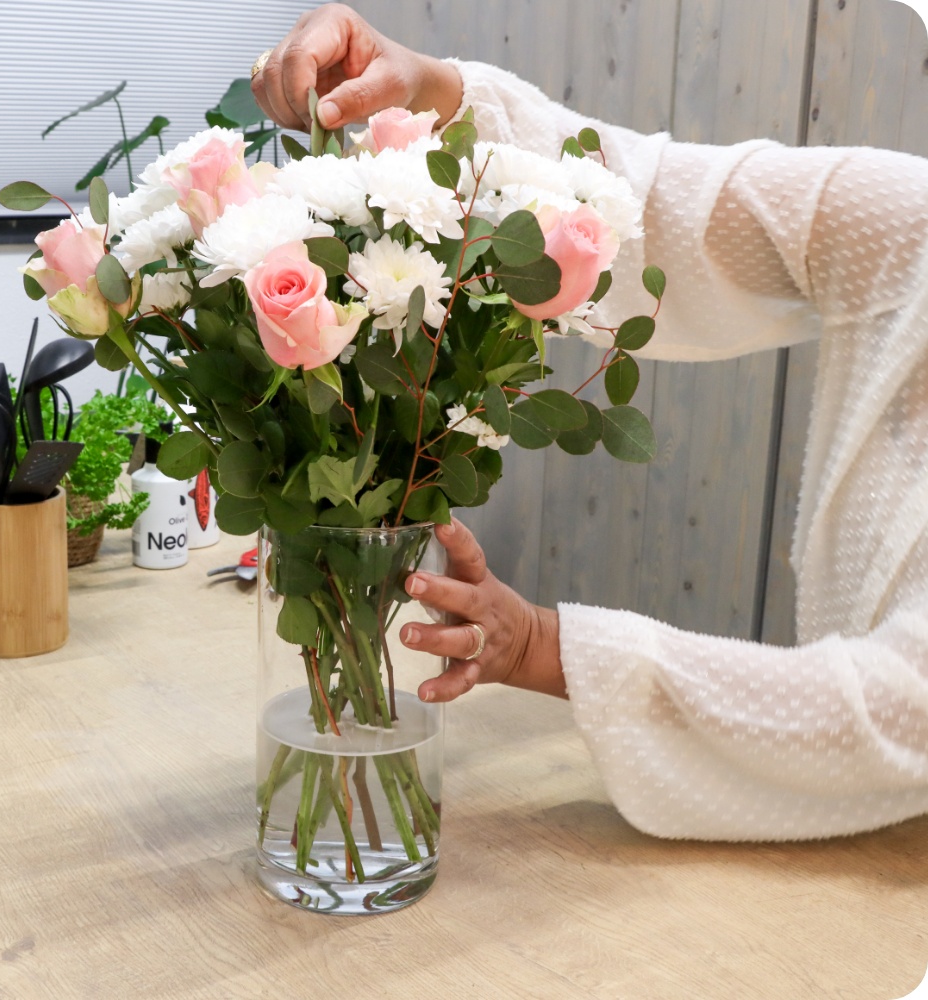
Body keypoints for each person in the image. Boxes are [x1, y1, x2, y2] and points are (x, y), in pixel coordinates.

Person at [251, 4, 928, 842]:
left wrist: (540, 645)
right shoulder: (913, 217)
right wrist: (436, 95)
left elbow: (903, 711)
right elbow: (654, 200)